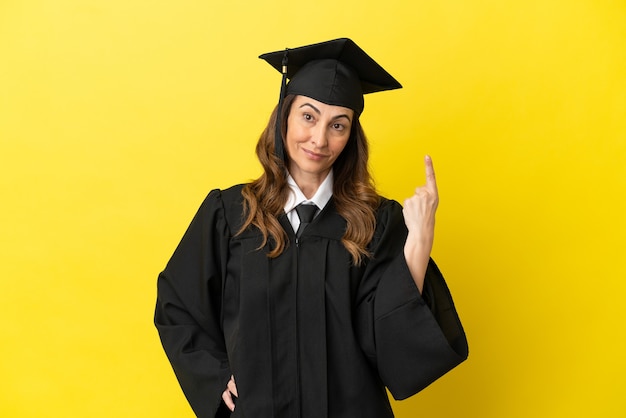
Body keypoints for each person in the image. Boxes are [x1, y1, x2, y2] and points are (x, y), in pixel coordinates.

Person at [154, 38, 468, 418]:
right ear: (283, 116)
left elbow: (390, 351)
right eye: (308, 116)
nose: (320, 139)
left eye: (338, 124)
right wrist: (214, 377)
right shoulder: (231, 214)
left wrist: (418, 242)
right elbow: (178, 307)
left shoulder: (376, 223)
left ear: (351, 136)